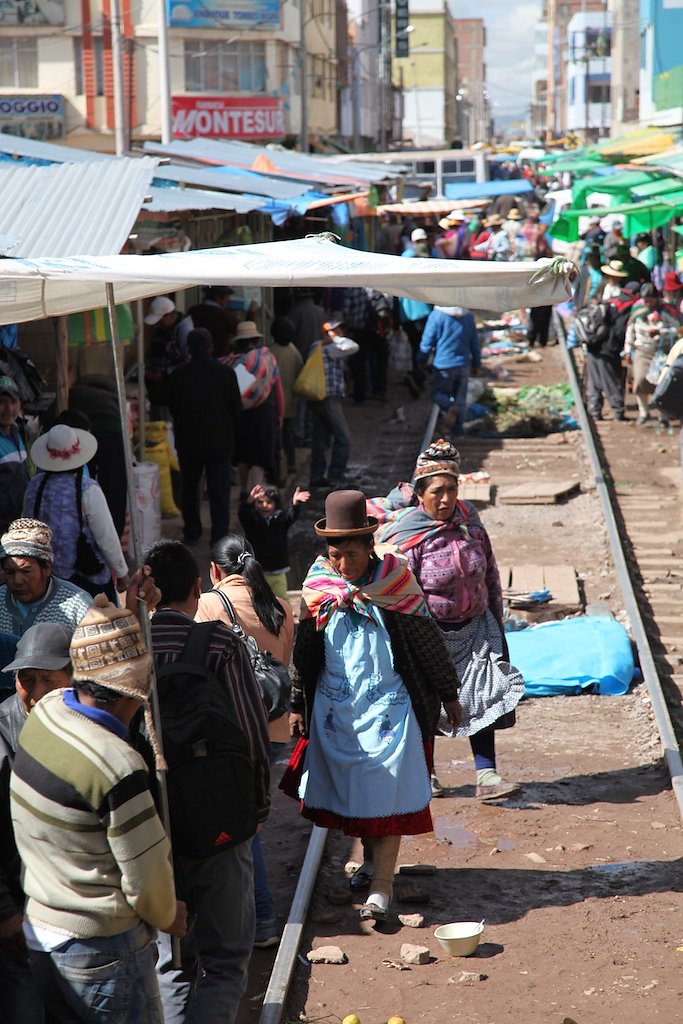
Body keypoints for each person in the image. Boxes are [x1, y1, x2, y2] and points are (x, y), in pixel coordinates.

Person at [283, 489, 461, 923]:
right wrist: (296, 702)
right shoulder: (319, 585)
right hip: (337, 710)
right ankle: (368, 864)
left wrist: (449, 692)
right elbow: (305, 649)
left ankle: (383, 884)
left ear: (369, 546)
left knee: (389, 789)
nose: (342, 565)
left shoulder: (396, 584)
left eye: (351, 554)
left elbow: (426, 640)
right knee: (355, 792)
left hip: (392, 710)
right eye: (335, 554)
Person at [9, 596, 187, 1023]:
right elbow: (146, 883)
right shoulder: (117, 766)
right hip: (102, 949)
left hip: (42, 934)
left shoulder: (46, 714)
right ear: (134, 693)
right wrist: (169, 915)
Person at [143, 539, 271, 1024]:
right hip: (218, 824)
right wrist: (253, 814)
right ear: (198, 588)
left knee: (173, 962)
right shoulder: (218, 644)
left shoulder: (130, 648)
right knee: (223, 963)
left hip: (150, 829)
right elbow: (251, 737)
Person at [373, 440, 524, 801]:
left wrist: (497, 618)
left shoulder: (469, 521)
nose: (445, 499)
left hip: (476, 628)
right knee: (425, 703)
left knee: (484, 695)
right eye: (437, 492)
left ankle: (487, 776)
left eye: (452, 490)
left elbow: (490, 571)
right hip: (429, 635)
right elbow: (395, 591)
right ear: (420, 495)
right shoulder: (406, 534)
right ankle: (427, 774)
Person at [196, 533, 294, 950]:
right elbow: (283, 669)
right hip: (273, 733)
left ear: (215, 570)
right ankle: (259, 917)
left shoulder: (208, 605)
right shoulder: (282, 608)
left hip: (233, 734)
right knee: (251, 822)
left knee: (242, 831)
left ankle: (264, 918)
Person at [0, 623, 73, 1024]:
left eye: (49, 678)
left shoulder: (87, 724)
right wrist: (6, 911)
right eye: (27, 680)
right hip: (20, 912)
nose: (38, 690)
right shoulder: (2, 729)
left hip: (75, 912)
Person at [23, 423, 130, 599]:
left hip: (46, 578)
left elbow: (25, 526)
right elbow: (106, 537)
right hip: (86, 579)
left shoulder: (35, 486)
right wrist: (122, 572)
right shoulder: (87, 489)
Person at [166, 327, 242, 545]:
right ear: (210, 347)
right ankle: (219, 536)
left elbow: (173, 408)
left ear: (189, 348)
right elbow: (236, 409)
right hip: (220, 441)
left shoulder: (178, 375)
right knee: (220, 491)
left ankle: (192, 531)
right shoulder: (226, 373)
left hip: (189, 442)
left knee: (190, 488)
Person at [221, 321, 284, 497]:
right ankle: (254, 493)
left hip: (240, 413)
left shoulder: (230, 362)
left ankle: (243, 489)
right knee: (260, 455)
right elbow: (278, 389)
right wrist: (280, 414)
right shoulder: (267, 358)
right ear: (256, 339)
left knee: (242, 453)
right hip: (264, 412)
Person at [0, 518, 92, 636]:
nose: (17, 581)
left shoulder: (77, 606)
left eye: (26, 571)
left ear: (46, 568)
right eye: (9, 572)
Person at [69, 374, 128, 536]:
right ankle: (114, 532)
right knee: (115, 484)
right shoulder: (114, 395)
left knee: (83, 481)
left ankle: (85, 532)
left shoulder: (73, 392)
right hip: (113, 432)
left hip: (84, 433)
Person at [308, 320, 359, 488]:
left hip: (318, 397)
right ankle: (336, 474)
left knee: (320, 439)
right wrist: (335, 339)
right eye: (335, 330)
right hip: (329, 398)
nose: (340, 332)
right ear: (326, 333)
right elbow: (353, 346)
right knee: (343, 437)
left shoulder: (317, 347)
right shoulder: (329, 348)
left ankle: (317, 476)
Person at [417, 304, 480, 437]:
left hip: (443, 364)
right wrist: (476, 364)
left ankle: (449, 406)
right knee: (460, 399)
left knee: (437, 394)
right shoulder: (468, 316)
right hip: (463, 364)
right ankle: (458, 432)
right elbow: (475, 342)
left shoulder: (437, 315)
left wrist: (421, 360)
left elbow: (427, 341)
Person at [238, 483, 310, 597]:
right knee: (256, 598)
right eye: (260, 502)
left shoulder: (281, 518)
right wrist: (248, 501)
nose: (264, 505)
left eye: (269, 502)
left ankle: (285, 614)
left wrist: (295, 504)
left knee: (280, 597)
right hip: (256, 568)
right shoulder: (252, 519)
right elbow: (242, 515)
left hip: (277, 568)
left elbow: (291, 515)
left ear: (276, 504)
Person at [624, 283, 681, 427]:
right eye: (646, 300)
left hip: (662, 351)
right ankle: (644, 412)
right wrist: (627, 349)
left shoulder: (667, 310)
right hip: (642, 349)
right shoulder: (638, 310)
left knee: (662, 383)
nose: (648, 303)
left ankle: (663, 416)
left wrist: (660, 332)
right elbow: (630, 329)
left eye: (651, 300)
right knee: (639, 380)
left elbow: (678, 330)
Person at [269, 316, 303, 477]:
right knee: (288, 434)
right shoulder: (294, 352)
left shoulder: (269, 352)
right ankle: (291, 464)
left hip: (272, 403)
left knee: (275, 437)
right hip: (290, 402)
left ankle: (276, 468)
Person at [0, 375, 29, 536]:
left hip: (18, 524)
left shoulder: (17, 432)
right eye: (2, 402)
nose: (9, 409)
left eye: (13, 402)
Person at [185, 285, 239, 358]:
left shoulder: (193, 311)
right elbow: (239, 331)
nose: (229, 300)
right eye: (227, 296)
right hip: (220, 359)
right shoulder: (225, 315)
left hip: (195, 357)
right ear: (218, 298)